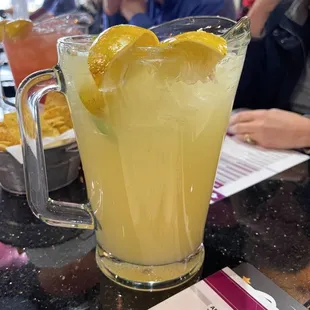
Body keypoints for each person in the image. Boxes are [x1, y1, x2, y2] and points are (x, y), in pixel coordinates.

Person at [229, 0, 310, 150]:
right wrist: (258, 14)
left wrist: (305, 132)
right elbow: (235, 97)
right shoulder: (289, 13)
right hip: (273, 154)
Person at [78, 0, 236, 33]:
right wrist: (111, 12)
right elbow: (111, 59)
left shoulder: (211, 4)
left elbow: (172, 67)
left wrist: (137, 17)